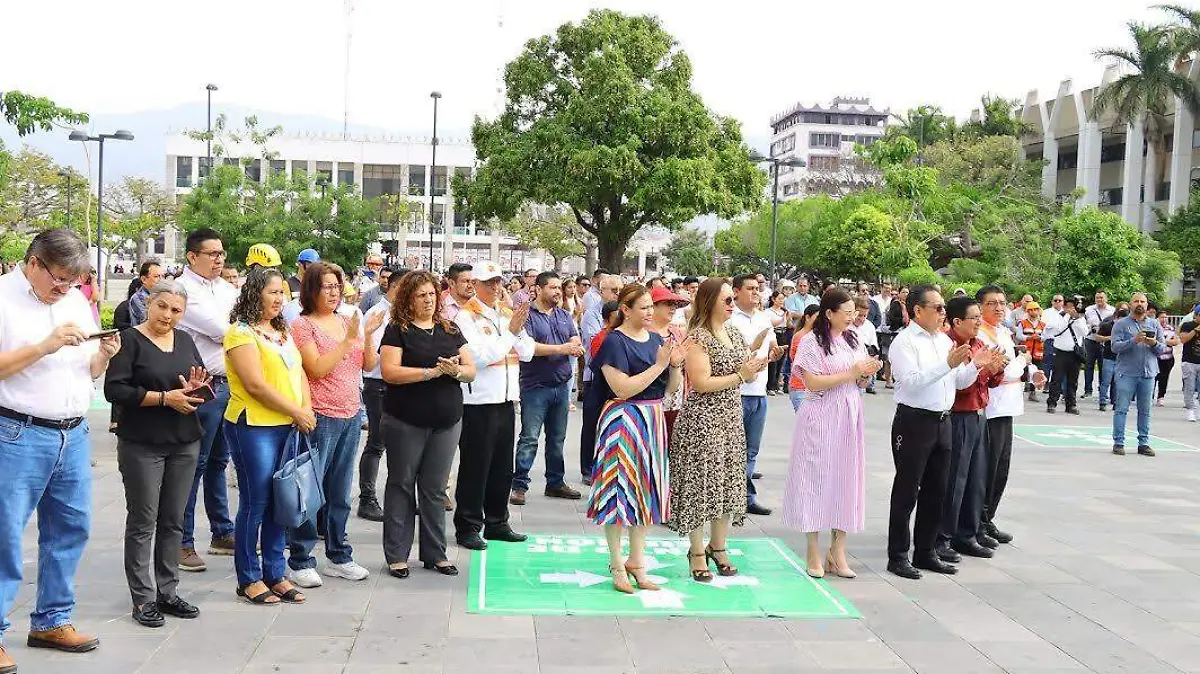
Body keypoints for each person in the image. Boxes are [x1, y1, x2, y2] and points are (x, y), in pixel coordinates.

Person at [0, 229, 120, 667]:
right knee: (5, 534)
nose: (65, 288)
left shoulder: (72, 300)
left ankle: (51, 619)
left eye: (73, 281)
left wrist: (103, 355)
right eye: (58, 279)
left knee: (70, 529)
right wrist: (44, 346)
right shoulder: (3, 299)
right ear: (33, 262)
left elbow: (84, 368)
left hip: (72, 432)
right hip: (16, 432)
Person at [104, 279, 207, 628]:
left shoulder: (185, 339)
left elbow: (192, 380)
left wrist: (193, 390)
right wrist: (164, 399)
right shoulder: (129, 340)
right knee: (143, 521)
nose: (168, 315)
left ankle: (168, 590)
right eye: (162, 306)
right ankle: (143, 597)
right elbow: (115, 390)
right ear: (149, 302)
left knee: (173, 519)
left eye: (176, 310)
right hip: (142, 442)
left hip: (184, 439)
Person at [586, 285, 690, 593]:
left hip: (652, 418)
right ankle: (617, 563)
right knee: (618, 492)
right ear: (625, 310)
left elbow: (670, 389)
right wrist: (660, 364)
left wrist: (674, 365)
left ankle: (637, 560)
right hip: (623, 419)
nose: (649, 312)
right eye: (643, 307)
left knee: (646, 490)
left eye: (650, 307)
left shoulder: (657, 340)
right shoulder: (613, 342)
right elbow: (622, 388)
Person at [284, 262, 381, 588]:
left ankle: (339, 555)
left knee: (340, 492)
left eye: (337, 286)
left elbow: (367, 365)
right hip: (319, 416)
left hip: (351, 413)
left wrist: (366, 337)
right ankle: (300, 559)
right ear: (311, 289)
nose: (333, 291)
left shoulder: (346, 321)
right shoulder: (303, 325)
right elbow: (316, 368)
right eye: (326, 286)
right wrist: (347, 340)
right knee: (310, 491)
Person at [222, 267, 313, 606]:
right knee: (256, 501)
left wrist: (305, 408)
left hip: (288, 424)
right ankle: (249, 577)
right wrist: (296, 410)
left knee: (281, 500)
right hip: (253, 425)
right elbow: (255, 385)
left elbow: (299, 370)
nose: (280, 298)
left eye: (283, 293)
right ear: (255, 293)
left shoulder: (281, 330)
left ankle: (275, 573)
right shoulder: (240, 333)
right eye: (273, 292)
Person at [378, 271, 476, 579]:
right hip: (405, 420)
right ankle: (397, 554)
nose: (429, 300)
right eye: (421, 295)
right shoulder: (398, 330)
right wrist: (428, 373)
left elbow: (471, 370)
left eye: (432, 294)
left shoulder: (449, 328)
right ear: (408, 298)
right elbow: (389, 372)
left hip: (446, 420)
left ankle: (436, 553)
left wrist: (455, 371)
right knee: (401, 485)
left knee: (434, 489)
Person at [668, 279, 765, 582]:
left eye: (731, 299)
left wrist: (758, 364)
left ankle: (718, 546)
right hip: (702, 420)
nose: (731, 304)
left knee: (727, 483)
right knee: (701, 484)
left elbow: (744, 371)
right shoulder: (698, 337)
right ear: (709, 302)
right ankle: (697, 551)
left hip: (730, 418)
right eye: (725, 300)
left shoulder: (734, 333)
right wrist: (741, 375)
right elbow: (701, 383)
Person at [885, 285, 981, 580]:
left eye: (943, 308)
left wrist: (977, 365)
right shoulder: (904, 342)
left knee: (937, 490)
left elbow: (958, 381)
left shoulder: (942, 341)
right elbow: (912, 382)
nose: (943, 313)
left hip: (943, 420)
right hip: (914, 421)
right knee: (906, 491)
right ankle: (898, 555)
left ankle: (925, 551)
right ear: (917, 311)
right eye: (938, 308)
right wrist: (947, 364)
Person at [783, 289, 879, 579]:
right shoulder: (811, 342)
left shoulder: (853, 338)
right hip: (820, 415)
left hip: (849, 412)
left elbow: (859, 380)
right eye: (847, 312)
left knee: (846, 477)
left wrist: (866, 373)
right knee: (815, 478)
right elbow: (811, 382)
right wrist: (852, 373)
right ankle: (812, 548)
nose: (853, 317)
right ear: (829, 314)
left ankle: (838, 549)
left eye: (854, 312)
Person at [452, 261, 532, 550]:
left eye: (498, 282)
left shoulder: (506, 313)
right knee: (476, 466)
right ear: (476, 285)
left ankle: (497, 522)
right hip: (478, 400)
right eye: (489, 283)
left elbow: (528, 351)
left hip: (506, 399)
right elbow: (480, 357)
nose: (496, 288)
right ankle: (468, 525)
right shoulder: (466, 317)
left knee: (502, 466)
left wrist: (517, 330)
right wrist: (510, 333)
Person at [175, 229, 239, 573]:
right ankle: (181, 541)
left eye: (221, 253)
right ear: (192, 256)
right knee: (193, 464)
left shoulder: (227, 289)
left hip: (231, 384)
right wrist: (234, 330)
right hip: (202, 387)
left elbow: (246, 325)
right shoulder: (183, 291)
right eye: (212, 253)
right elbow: (225, 330)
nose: (219, 259)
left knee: (218, 462)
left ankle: (222, 531)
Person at [937, 296, 1006, 565]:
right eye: (974, 318)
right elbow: (959, 386)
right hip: (958, 416)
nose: (979, 322)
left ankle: (967, 534)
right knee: (955, 479)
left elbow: (990, 382)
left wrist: (995, 369)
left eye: (979, 317)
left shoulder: (979, 344)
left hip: (979, 415)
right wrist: (978, 366)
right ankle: (943, 537)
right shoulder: (950, 345)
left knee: (977, 479)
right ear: (957, 321)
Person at [511, 272, 586, 505]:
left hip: (560, 386)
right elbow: (530, 348)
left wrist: (575, 345)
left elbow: (575, 339)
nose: (557, 292)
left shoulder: (564, 315)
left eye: (558, 288)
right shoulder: (527, 317)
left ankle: (555, 482)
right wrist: (563, 349)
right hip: (535, 386)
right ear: (539, 289)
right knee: (529, 437)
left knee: (557, 438)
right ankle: (519, 485)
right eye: (552, 287)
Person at [977, 286, 1042, 548]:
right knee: (987, 468)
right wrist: (1024, 361)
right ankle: (978, 521)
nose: (999, 307)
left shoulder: (1003, 332)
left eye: (1002, 302)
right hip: (990, 409)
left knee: (1001, 469)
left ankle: (988, 517)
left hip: (1008, 407)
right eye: (992, 303)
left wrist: (1030, 372)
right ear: (980, 307)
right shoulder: (981, 335)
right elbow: (1001, 371)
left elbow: (1012, 367)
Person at [729, 274, 782, 516]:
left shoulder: (764, 319)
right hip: (735, 391)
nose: (755, 293)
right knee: (732, 448)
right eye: (749, 288)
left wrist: (775, 352)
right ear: (736, 291)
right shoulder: (729, 319)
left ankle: (746, 497)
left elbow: (770, 348)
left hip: (758, 392)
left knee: (751, 449)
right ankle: (730, 496)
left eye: (757, 289)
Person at [358, 266, 407, 521]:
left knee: (403, 446)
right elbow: (371, 358)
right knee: (377, 442)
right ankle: (367, 498)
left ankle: (402, 500)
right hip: (379, 385)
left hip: (403, 385)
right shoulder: (378, 314)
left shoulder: (406, 314)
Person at [1111, 292, 1166, 456]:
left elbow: (1162, 348)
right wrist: (1133, 341)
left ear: (1147, 305)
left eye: (1142, 301)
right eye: (1136, 301)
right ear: (1130, 304)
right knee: (1121, 409)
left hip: (1148, 373)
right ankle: (1119, 442)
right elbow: (1114, 347)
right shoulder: (1121, 324)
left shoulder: (1155, 324)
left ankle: (1143, 443)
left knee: (1145, 410)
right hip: (1127, 372)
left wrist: (1154, 343)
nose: (1139, 304)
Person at [649, 286, 690, 443]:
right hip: (653, 400)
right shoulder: (644, 332)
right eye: (667, 303)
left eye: (675, 304)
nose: (673, 308)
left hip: (678, 401)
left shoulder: (678, 332)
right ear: (653, 306)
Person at [1042, 295, 1088, 415]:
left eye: (1072, 306)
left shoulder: (1080, 318)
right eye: (1067, 306)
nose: (1069, 309)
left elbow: (1084, 332)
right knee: (1056, 379)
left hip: (1074, 353)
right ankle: (1052, 403)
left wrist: (1076, 319)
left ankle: (1071, 405)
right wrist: (1067, 319)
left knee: (1073, 381)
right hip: (1060, 352)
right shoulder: (1059, 317)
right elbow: (1054, 330)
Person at [1094, 303, 1127, 411]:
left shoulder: (1127, 328)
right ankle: (1102, 401)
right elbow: (1097, 337)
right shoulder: (1107, 325)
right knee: (1106, 381)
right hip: (1108, 356)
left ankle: (1116, 402)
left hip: (1121, 358)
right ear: (1116, 317)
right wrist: (1109, 338)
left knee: (1118, 382)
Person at [787, 305, 821, 411]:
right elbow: (801, 362)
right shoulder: (800, 337)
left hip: (813, 389)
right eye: (817, 317)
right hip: (800, 388)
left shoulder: (816, 336)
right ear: (807, 317)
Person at [1082, 291, 1115, 400]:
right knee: (1088, 365)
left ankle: (1102, 391)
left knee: (1103, 367)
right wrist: (1090, 328)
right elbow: (1083, 323)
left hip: (1104, 342)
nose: (1099, 300)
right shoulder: (1089, 310)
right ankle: (1088, 390)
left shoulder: (1112, 310)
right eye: (1097, 298)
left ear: (1106, 298)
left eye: (1101, 297)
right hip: (1090, 340)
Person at [1016, 302, 1046, 402]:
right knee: (1022, 372)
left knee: (1036, 372)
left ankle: (1033, 393)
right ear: (1028, 311)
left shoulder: (1042, 324)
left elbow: (1045, 336)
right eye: (1031, 310)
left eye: (1035, 309)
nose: (1034, 312)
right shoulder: (1023, 323)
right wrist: (1029, 337)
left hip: (1038, 352)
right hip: (1025, 352)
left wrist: (1040, 338)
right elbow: (1018, 335)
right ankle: (1018, 391)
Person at [851, 297, 880, 394]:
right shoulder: (845, 326)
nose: (862, 319)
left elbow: (874, 348)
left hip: (863, 371)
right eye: (859, 315)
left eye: (865, 316)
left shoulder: (869, 326)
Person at [1153, 306, 1179, 406]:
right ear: (1157, 318)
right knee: (1154, 377)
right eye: (1161, 317)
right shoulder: (1153, 328)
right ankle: (1150, 396)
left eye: (1165, 317)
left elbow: (1176, 341)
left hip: (1168, 357)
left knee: (1164, 378)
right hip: (1156, 357)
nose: (1164, 319)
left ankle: (1161, 396)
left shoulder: (1170, 329)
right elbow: (1153, 341)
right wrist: (1167, 342)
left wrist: (1164, 341)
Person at [765, 291, 788, 395]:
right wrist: (782, 318)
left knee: (781, 361)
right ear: (773, 299)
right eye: (779, 299)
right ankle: (770, 386)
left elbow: (787, 324)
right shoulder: (768, 312)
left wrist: (787, 318)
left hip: (783, 334)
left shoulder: (784, 311)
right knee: (773, 361)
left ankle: (777, 385)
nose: (781, 301)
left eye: (783, 299)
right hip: (774, 334)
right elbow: (771, 324)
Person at [128, 261, 165, 326]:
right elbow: (151, 322)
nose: (161, 280)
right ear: (144, 279)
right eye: (156, 276)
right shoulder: (138, 298)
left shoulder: (162, 294)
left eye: (163, 276)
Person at [1180, 306, 1200, 422]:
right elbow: (1183, 339)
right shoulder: (1187, 325)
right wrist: (1196, 330)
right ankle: (1190, 410)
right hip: (1189, 361)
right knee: (1190, 387)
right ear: (1196, 315)